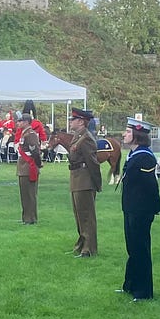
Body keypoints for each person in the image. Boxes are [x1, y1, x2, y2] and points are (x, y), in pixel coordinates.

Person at [119, 119, 160, 301]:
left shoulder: (145, 157)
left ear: (138, 135)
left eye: (128, 132)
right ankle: (130, 285)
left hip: (141, 209)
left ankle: (143, 291)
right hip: (131, 207)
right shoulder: (133, 155)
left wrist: (154, 207)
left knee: (140, 248)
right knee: (132, 247)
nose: (124, 134)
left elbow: (150, 186)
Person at [66, 107, 103, 258]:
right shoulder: (78, 136)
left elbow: (93, 163)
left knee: (86, 215)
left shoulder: (86, 138)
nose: (70, 122)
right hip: (76, 178)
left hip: (85, 180)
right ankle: (81, 244)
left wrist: (96, 183)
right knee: (79, 215)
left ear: (81, 122)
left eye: (73, 120)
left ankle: (89, 248)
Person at [17, 114, 41, 224]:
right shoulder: (24, 133)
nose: (18, 123)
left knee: (30, 194)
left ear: (26, 122)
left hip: (29, 166)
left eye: (20, 121)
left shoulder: (31, 134)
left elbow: (35, 151)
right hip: (23, 166)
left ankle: (31, 218)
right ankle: (26, 217)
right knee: (24, 195)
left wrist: (36, 164)